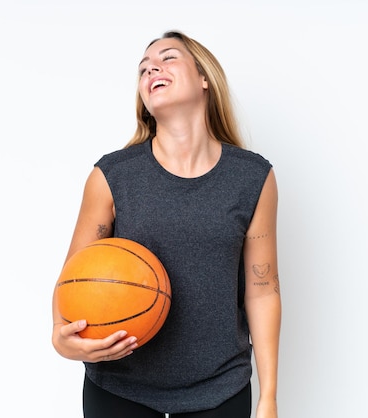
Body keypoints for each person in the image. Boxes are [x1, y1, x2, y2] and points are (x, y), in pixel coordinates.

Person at [52, 30, 281, 418]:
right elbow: (72, 278)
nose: (151, 69)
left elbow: (262, 290)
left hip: (220, 388)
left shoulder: (253, 177)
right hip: (120, 388)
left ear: (205, 78)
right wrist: (63, 341)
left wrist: (269, 397)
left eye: (168, 58)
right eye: (143, 69)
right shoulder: (112, 176)